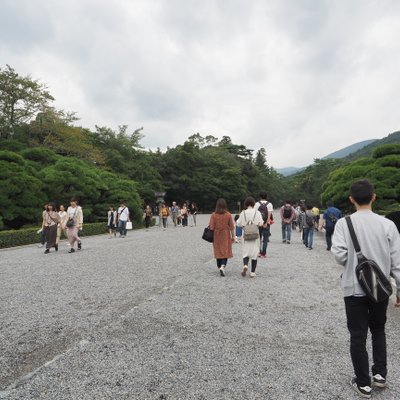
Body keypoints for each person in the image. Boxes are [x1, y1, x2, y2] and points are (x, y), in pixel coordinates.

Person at [331, 180, 400, 398]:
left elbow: (339, 254)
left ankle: (363, 383)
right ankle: (379, 375)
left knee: (358, 335)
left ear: (351, 199)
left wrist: (354, 262)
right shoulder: (388, 225)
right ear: (374, 197)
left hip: (354, 287)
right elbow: (397, 262)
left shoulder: (344, 223)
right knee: (378, 330)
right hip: (380, 288)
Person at [236, 197, 264, 277]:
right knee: (254, 253)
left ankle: (245, 265)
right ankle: (252, 272)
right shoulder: (257, 212)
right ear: (253, 203)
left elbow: (238, 224)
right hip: (255, 235)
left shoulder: (243, 213)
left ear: (245, 204)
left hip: (246, 234)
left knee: (246, 252)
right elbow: (261, 223)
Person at [209, 198, 235, 277]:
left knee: (218, 250)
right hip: (226, 234)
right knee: (225, 250)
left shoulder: (213, 215)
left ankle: (219, 265)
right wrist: (233, 236)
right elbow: (231, 226)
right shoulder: (228, 214)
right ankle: (223, 266)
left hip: (216, 235)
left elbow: (211, 227)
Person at [255, 191, 273, 258]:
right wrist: (265, 223)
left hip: (258, 224)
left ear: (260, 196)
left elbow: (256, 215)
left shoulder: (256, 204)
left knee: (258, 238)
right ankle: (264, 253)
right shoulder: (270, 204)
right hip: (266, 224)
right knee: (265, 239)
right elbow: (269, 215)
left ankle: (259, 252)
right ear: (266, 196)